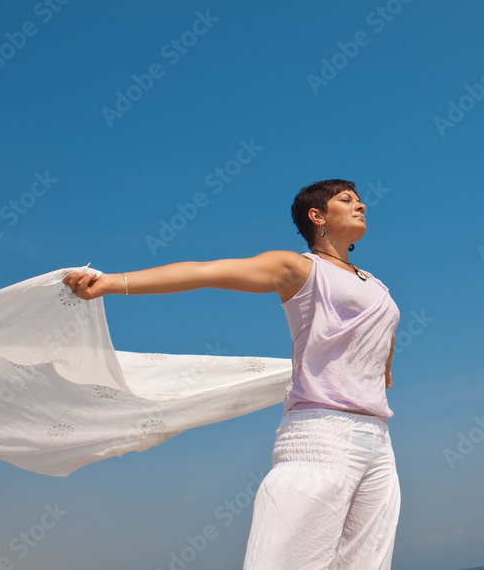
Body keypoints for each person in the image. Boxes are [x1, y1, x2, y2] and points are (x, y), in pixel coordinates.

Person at [63, 179, 402, 569]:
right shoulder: (299, 267)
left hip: (378, 441)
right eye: (346, 200)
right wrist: (111, 283)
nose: (360, 205)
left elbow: (382, 329)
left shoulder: (375, 283)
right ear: (317, 216)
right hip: (323, 435)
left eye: (360, 201)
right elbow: (206, 271)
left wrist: (383, 369)